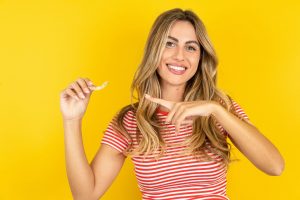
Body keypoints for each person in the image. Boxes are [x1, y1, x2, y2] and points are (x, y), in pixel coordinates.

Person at [60, 8, 285, 200]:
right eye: (169, 43)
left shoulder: (220, 107)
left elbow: (275, 166)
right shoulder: (131, 120)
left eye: (191, 47)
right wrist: (72, 120)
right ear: (154, 51)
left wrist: (215, 109)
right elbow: (85, 195)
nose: (180, 56)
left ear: (200, 57)